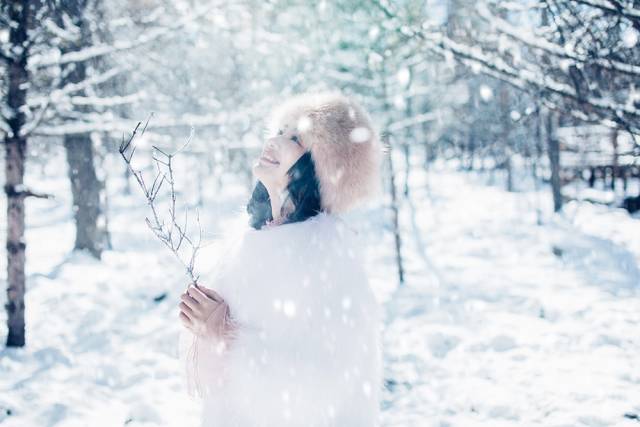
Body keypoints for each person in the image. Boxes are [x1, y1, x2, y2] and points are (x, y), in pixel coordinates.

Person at [177, 91, 383, 427]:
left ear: (323, 169)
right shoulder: (247, 241)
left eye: (295, 138)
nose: (274, 141)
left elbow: (314, 396)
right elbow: (215, 381)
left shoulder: (329, 261)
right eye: (278, 131)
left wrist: (225, 333)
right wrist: (202, 326)